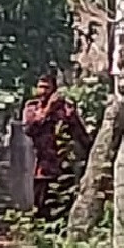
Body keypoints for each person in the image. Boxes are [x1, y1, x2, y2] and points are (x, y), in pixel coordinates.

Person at [22, 73, 93, 221]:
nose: (42, 91)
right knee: (41, 208)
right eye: (40, 87)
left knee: (62, 209)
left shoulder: (65, 109)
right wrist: (48, 109)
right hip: (43, 169)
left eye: (47, 88)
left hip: (64, 169)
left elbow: (80, 135)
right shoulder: (32, 107)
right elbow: (30, 129)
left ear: (54, 90)